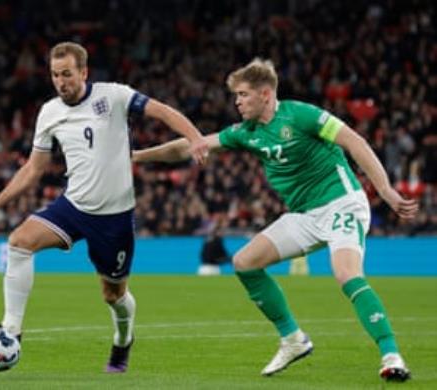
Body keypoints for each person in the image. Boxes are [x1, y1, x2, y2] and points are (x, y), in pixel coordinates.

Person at [132, 58, 418, 382]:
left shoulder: (301, 115)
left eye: (242, 94)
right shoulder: (245, 132)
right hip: (304, 215)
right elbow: (192, 146)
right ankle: (293, 339)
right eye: (236, 96)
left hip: (342, 204)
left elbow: (355, 141)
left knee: (346, 274)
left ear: (265, 94)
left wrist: (386, 190)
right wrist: (139, 156)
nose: (237, 102)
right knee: (245, 262)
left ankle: (392, 355)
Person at [0, 41, 208, 373]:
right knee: (19, 242)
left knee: (113, 295)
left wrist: (195, 138)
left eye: (67, 74)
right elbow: (33, 169)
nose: (61, 81)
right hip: (73, 206)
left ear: (84, 72)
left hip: (114, 218)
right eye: (54, 75)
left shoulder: (114, 96)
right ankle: (10, 331)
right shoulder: (49, 112)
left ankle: (123, 341)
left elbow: (163, 111)